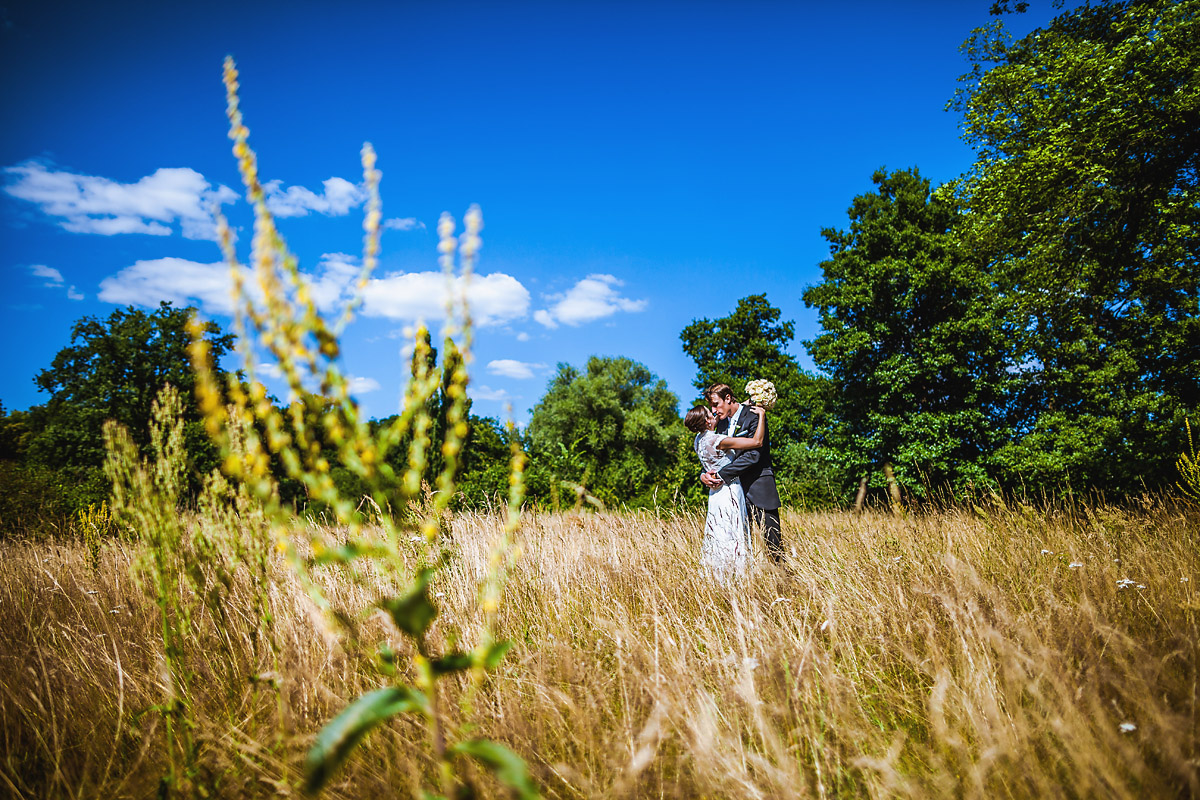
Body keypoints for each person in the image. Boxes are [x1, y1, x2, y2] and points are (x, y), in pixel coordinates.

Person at [700, 383, 783, 561]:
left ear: (728, 398)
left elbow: (754, 455)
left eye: (716, 404)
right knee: (737, 545)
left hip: (759, 487)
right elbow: (713, 452)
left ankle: (782, 576)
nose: (713, 411)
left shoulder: (754, 415)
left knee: (773, 543)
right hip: (731, 494)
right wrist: (704, 475)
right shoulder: (720, 423)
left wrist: (721, 475)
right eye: (711, 406)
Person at [683, 403, 766, 578]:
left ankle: (718, 576)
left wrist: (703, 476)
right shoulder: (717, 440)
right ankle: (737, 576)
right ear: (707, 421)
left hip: (714, 494)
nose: (714, 413)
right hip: (730, 490)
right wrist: (762, 417)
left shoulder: (698, 441)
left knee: (718, 533)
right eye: (710, 412)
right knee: (733, 533)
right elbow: (756, 442)